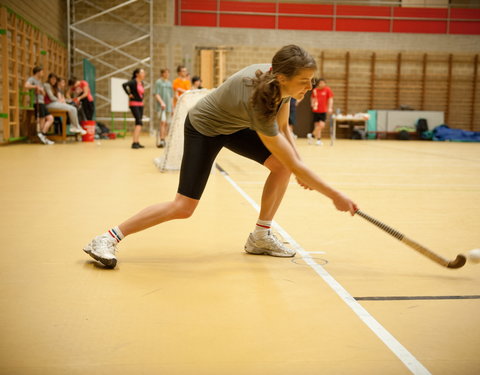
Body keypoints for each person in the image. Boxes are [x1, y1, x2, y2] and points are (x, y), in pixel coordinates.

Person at [83, 45, 358, 269]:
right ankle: (107, 238)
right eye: (304, 81)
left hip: (234, 126)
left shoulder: (281, 84)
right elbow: (291, 158)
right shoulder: (258, 98)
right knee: (183, 207)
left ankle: (260, 236)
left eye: (311, 80)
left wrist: (299, 170)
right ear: (284, 78)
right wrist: (334, 195)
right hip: (204, 128)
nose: (310, 87)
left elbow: (285, 129)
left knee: (282, 168)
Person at [24, 66, 55, 145]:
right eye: (42, 72)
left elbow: (44, 94)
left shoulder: (40, 81)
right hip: (36, 102)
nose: (43, 73)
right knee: (42, 119)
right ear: (37, 72)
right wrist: (35, 87)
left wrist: (41, 91)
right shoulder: (32, 79)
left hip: (42, 102)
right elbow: (26, 86)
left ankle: (42, 134)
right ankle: (42, 137)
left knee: (50, 118)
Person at [122, 68, 146, 149]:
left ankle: (137, 141)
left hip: (140, 104)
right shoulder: (133, 82)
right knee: (139, 122)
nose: (144, 74)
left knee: (139, 122)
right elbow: (124, 85)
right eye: (142, 72)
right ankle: (134, 142)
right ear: (137, 74)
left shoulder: (141, 83)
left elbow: (141, 93)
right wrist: (129, 94)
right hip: (134, 103)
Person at [308, 78, 333, 146]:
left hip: (323, 111)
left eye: (323, 83)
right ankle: (318, 140)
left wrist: (330, 108)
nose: (322, 84)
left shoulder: (327, 90)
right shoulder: (315, 90)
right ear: (318, 83)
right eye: (321, 83)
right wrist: (312, 104)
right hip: (316, 110)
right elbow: (312, 98)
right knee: (317, 126)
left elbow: (330, 99)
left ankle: (312, 136)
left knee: (321, 125)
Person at [154, 68, 173, 148]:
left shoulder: (169, 83)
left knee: (167, 124)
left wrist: (172, 107)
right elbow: (156, 94)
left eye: (168, 73)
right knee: (163, 122)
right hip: (161, 107)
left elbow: (171, 96)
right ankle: (161, 140)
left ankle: (164, 139)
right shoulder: (158, 82)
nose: (167, 74)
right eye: (166, 73)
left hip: (169, 107)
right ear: (162, 74)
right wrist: (162, 102)